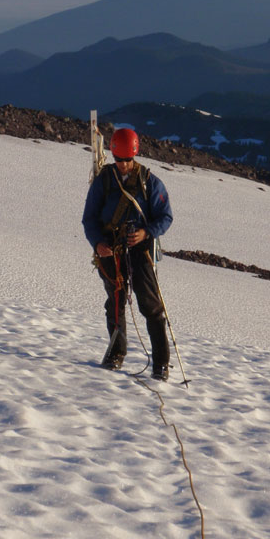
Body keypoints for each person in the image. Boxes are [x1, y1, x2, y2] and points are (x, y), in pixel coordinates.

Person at [82, 127, 173, 380]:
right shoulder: (104, 181)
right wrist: (97, 242)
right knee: (115, 302)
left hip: (141, 250)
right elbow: (89, 218)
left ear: (134, 156)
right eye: (119, 160)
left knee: (150, 305)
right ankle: (116, 353)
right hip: (111, 250)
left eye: (127, 160)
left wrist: (146, 233)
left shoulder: (149, 182)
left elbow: (166, 217)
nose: (123, 165)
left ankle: (161, 363)